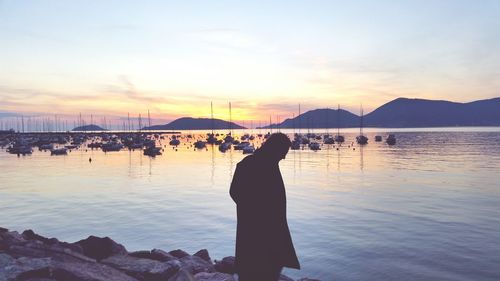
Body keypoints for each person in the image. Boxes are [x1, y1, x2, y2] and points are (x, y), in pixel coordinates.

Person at [230, 133, 300, 281]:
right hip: (259, 228)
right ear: (275, 149)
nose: (284, 157)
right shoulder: (251, 164)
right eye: (283, 153)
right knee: (263, 267)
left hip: (266, 226)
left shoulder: (266, 163)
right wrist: (256, 211)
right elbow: (235, 191)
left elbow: (235, 192)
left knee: (264, 266)